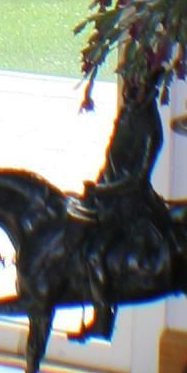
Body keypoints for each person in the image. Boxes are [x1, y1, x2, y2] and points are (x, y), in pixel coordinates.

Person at [66, 70, 176, 341]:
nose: (130, 89)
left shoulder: (151, 130)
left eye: (137, 85)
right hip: (106, 194)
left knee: (96, 253)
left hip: (129, 203)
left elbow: (136, 180)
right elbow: (112, 159)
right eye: (130, 83)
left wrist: (103, 190)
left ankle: (102, 319)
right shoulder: (127, 115)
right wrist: (98, 185)